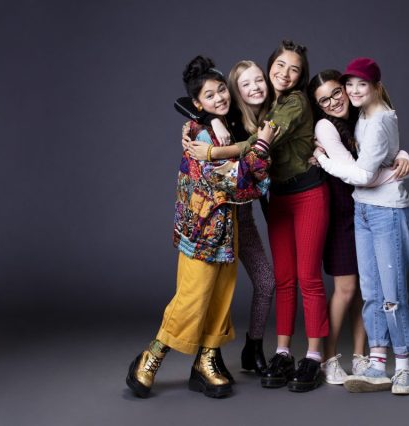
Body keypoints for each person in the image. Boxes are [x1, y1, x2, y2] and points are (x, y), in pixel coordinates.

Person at [125, 55, 277, 399]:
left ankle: (206, 362)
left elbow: (242, 171)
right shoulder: (199, 133)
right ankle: (151, 356)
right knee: (192, 297)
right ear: (198, 103)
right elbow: (237, 183)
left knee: (221, 296)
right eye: (210, 96)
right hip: (202, 231)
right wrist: (259, 150)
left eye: (222, 90)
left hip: (229, 229)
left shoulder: (228, 120)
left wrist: (216, 118)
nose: (220, 97)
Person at [187, 40, 329, 393]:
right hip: (255, 206)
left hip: (298, 195)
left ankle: (309, 356)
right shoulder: (239, 109)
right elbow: (193, 101)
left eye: (294, 69)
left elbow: (263, 142)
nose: (284, 74)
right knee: (279, 279)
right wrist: (208, 118)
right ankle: (275, 352)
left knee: (300, 279)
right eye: (279, 66)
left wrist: (214, 150)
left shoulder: (288, 104)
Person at [312, 58, 409, 395]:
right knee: (370, 292)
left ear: (375, 86)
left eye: (361, 85)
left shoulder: (378, 117)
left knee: (392, 295)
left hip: (386, 210)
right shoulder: (359, 117)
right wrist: (399, 159)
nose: (353, 92)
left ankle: (402, 368)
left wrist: (322, 159)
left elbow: (363, 175)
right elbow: (375, 163)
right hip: (361, 210)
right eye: (350, 85)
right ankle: (376, 362)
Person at [177, 60, 276, 375]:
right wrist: (209, 119)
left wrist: (217, 140)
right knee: (215, 291)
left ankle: (253, 347)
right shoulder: (220, 119)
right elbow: (185, 102)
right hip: (220, 221)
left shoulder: (269, 110)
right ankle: (209, 355)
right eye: (245, 84)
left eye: (223, 90)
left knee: (266, 282)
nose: (254, 89)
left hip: (245, 219)